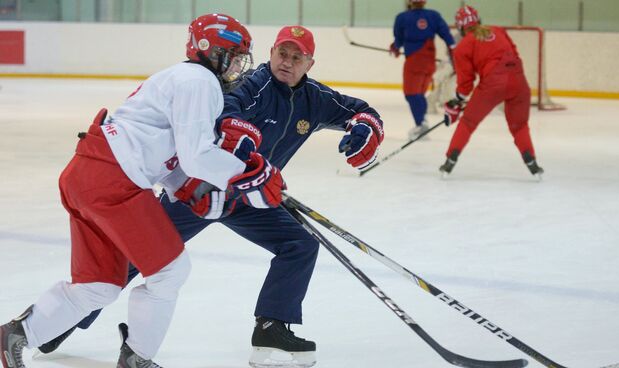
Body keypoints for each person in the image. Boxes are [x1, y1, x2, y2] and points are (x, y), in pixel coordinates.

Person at [35, 25, 384, 368]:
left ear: (310, 64)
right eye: (282, 53)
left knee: (300, 245)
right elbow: (226, 111)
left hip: (249, 196)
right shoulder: (253, 84)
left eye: (297, 57)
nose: (287, 62)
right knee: (135, 258)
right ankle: (62, 320)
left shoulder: (316, 99)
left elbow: (361, 111)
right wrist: (236, 136)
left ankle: (271, 328)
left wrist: (365, 127)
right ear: (272, 52)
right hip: (199, 189)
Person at [0, 13, 284, 368]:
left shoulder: (179, 78)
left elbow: (166, 152)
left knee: (99, 286)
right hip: (113, 181)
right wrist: (249, 171)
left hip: (86, 175)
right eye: (236, 57)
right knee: (170, 271)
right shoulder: (199, 80)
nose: (238, 68)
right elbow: (197, 156)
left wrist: (189, 189)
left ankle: (16, 333)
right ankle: (137, 358)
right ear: (214, 52)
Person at [439, 5, 544, 178]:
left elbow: (466, 83)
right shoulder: (498, 30)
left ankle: (449, 161)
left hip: (493, 85)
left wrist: (456, 100)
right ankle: (531, 163)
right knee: (519, 126)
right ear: (479, 20)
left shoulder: (463, 46)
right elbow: (515, 54)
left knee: (468, 123)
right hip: (519, 81)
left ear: (460, 27)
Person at [390, 0, 455, 140]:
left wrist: (394, 47)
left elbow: (398, 40)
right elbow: (448, 37)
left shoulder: (402, 17)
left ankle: (421, 124)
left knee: (411, 94)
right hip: (429, 61)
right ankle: (422, 121)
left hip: (414, 61)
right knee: (419, 93)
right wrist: (452, 51)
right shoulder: (434, 16)